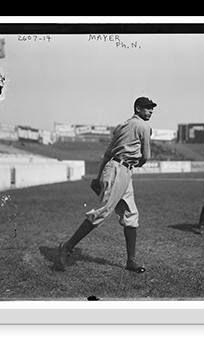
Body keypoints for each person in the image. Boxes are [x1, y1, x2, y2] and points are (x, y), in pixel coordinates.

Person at [58, 97, 157, 273]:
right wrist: (138, 163)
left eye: (152, 108)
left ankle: (131, 261)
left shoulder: (121, 126)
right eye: (147, 108)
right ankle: (67, 246)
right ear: (137, 108)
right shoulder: (143, 127)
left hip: (116, 168)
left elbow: (107, 154)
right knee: (102, 212)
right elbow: (146, 156)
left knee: (131, 215)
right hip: (120, 170)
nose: (150, 111)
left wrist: (98, 177)